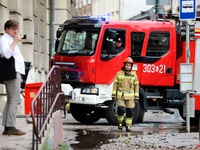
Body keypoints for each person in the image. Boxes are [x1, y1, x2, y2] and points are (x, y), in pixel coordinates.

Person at [0, 20, 26, 136]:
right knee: (15, 100)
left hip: (14, 73)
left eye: (16, 29)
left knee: (11, 100)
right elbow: (6, 54)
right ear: (7, 29)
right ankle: (11, 127)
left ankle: (7, 126)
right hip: (12, 73)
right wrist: (15, 41)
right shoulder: (5, 39)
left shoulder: (9, 39)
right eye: (13, 29)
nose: (15, 31)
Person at [112, 57, 139, 132]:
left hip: (130, 97)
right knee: (120, 110)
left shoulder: (134, 75)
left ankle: (128, 126)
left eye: (129, 65)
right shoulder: (119, 74)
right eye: (127, 65)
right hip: (121, 96)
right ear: (124, 65)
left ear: (131, 66)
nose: (128, 67)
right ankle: (120, 123)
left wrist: (136, 97)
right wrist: (113, 95)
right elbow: (115, 85)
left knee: (130, 111)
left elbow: (136, 86)